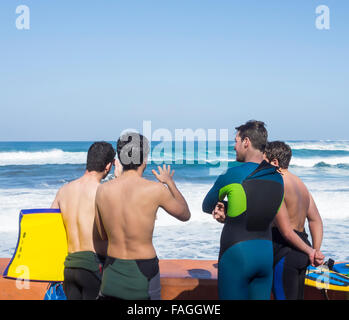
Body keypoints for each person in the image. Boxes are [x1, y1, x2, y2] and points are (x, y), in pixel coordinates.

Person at [95, 132, 191, 300]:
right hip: (143, 271)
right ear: (144, 158)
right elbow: (185, 214)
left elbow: (102, 235)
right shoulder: (155, 190)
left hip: (112, 269)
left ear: (121, 157)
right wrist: (169, 182)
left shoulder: (103, 190)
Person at [202, 120, 285, 300]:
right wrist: (232, 209)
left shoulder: (232, 174)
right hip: (265, 254)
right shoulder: (278, 178)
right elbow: (261, 209)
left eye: (236, 141)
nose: (234, 147)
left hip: (237, 254)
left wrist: (225, 211)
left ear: (246, 142)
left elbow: (207, 205)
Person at [51, 141, 116, 300]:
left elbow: (51, 226)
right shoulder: (103, 192)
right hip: (93, 266)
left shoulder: (63, 191)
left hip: (69, 267)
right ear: (108, 166)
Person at [264, 141, 324, 300]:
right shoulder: (301, 184)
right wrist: (315, 250)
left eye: (264, 162)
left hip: (285, 252)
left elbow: (286, 232)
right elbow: (316, 220)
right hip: (302, 253)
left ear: (274, 162)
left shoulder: (276, 184)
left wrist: (311, 252)